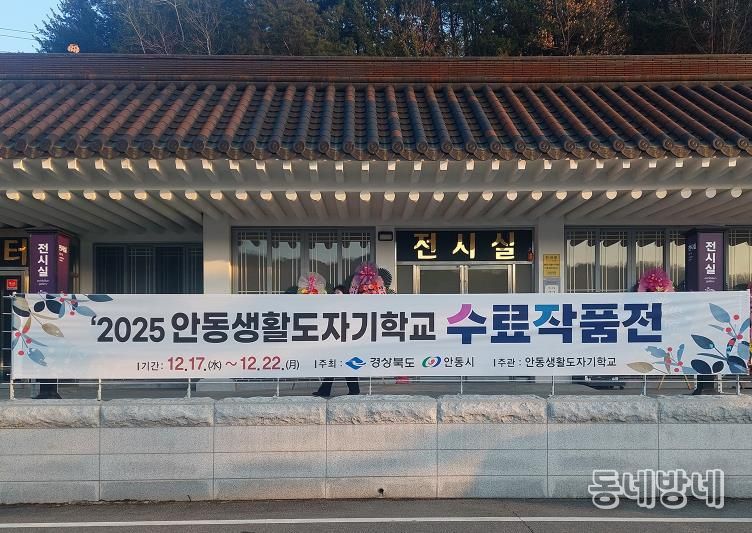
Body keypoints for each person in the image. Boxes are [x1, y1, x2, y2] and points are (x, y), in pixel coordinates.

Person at [313, 285, 360, 397]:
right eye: (334, 293)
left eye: (338, 293)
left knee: (349, 365)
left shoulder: (349, 307)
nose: (335, 295)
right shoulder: (331, 307)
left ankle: (354, 390)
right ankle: (325, 390)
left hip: (346, 340)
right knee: (332, 365)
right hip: (334, 339)